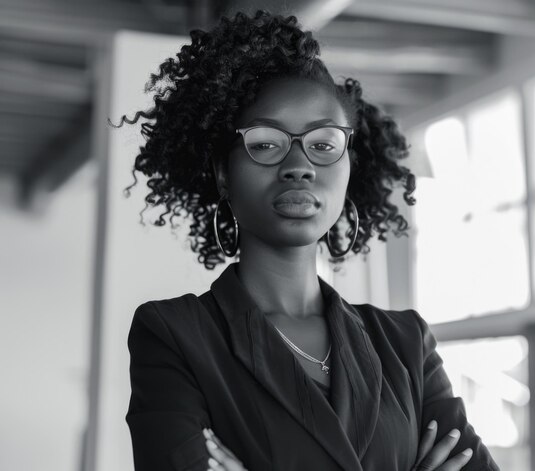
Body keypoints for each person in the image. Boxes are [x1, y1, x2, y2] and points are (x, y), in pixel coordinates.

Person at [112, 9, 500, 471]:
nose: (299, 164)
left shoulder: (405, 344)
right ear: (223, 172)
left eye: (323, 143)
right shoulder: (175, 335)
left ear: (348, 166)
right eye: (265, 142)